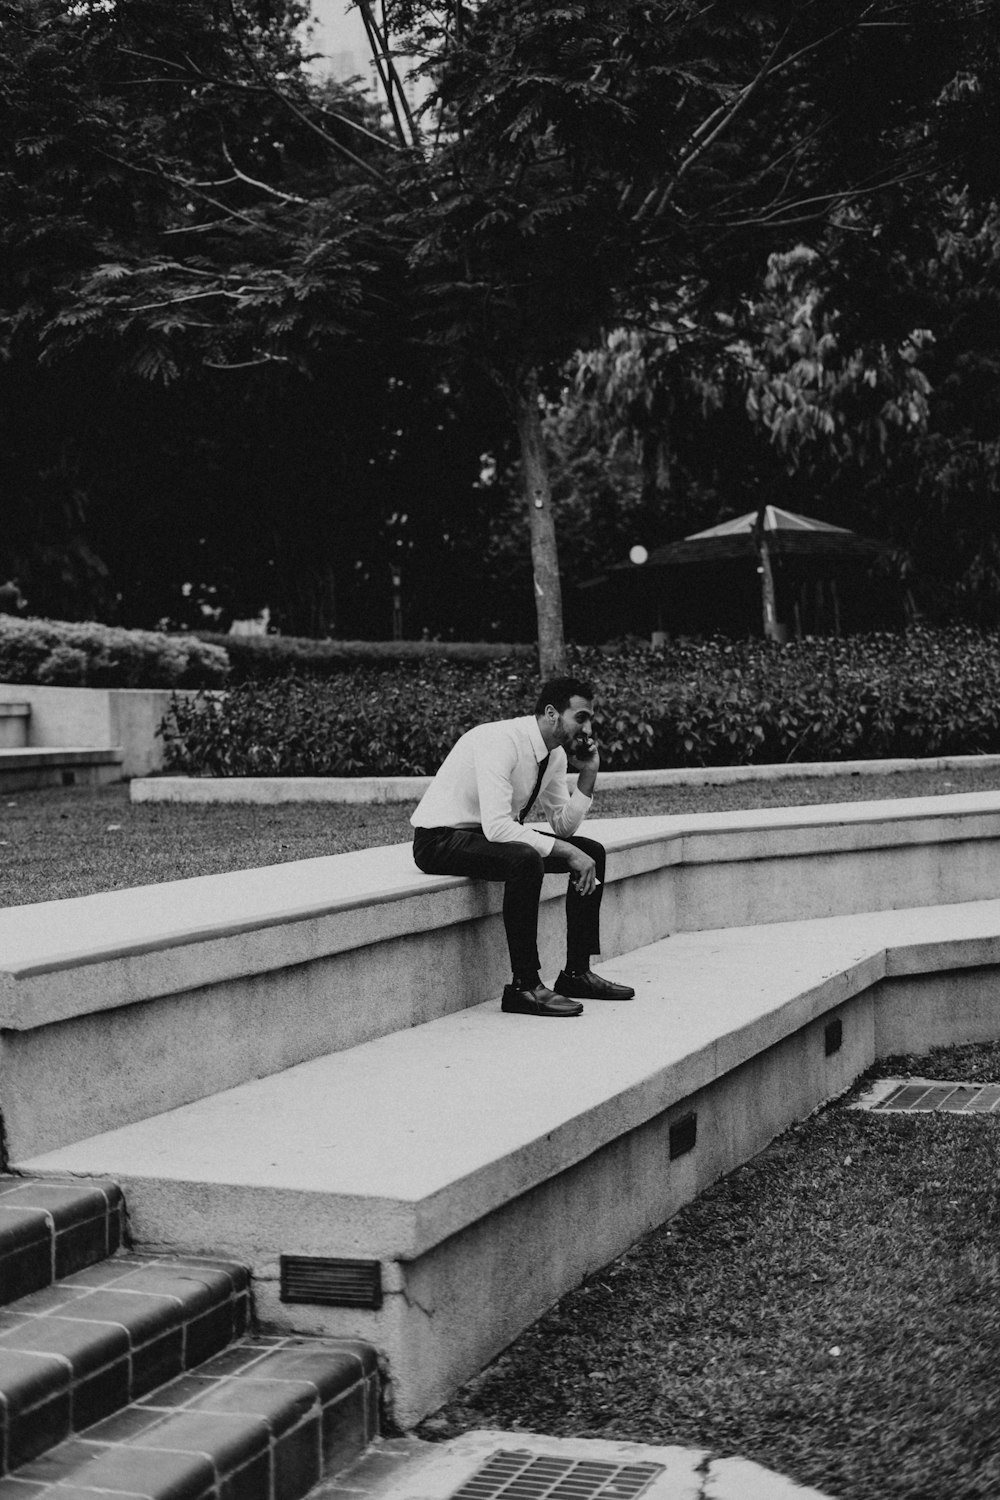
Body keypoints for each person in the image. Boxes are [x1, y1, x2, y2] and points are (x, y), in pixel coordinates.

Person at [411, 676, 635, 1017]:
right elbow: (499, 827)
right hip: (440, 840)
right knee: (527, 860)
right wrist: (567, 852)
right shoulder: (500, 740)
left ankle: (576, 973)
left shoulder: (555, 756)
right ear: (552, 713)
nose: (588, 727)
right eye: (581, 717)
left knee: (593, 851)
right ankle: (524, 985)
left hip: (484, 839)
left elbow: (562, 824)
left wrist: (589, 773)